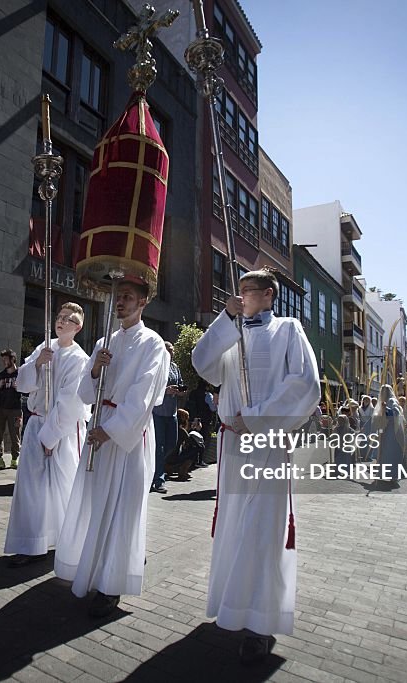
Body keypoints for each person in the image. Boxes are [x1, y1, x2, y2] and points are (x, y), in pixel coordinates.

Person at [192, 268, 321, 665]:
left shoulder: (288, 329)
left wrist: (260, 416)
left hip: (266, 441)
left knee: (264, 530)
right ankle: (232, 606)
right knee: (234, 527)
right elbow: (202, 364)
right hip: (232, 443)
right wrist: (224, 321)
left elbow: (305, 384)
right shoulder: (231, 331)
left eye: (247, 291)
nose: (241, 296)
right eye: (239, 291)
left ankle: (260, 624)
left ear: (267, 294)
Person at [54, 279, 170, 619]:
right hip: (99, 427)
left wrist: (112, 430)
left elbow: (145, 394)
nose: (121, 302)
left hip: (126, 435)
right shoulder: (105, 340)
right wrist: (95, 369)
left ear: (144, 301)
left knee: (122, 509)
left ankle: (111, 585)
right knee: (96, 505)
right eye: (118, 297)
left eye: (128, 297)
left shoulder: (154, 344)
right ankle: (90, 570)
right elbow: (86, 393)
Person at [5, 304, 90, 566]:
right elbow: (22, 383)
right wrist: (38, 364)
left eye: (69, 319)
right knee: (32, 488)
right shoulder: (45, 346)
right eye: (59, 317)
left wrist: (51, 436)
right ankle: (32, 544)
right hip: (36, 423)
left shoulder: (80, 359)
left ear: (78, 327)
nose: (61, 321)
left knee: (62, 487)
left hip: (62, 431)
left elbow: (72, 402)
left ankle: (66, 539)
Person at [151, 341, 184, 494]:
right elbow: (150, 388)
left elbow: (181, 383)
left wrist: (180, 391)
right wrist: (165, 390)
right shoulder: (156, 366)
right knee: (158, 446)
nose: (171, 352)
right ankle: (158, 479)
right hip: (158, 412)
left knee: (172, 444)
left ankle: (152, 467)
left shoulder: (175, 367)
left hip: (172, 412)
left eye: (172, 350)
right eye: (168, 350)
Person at [0, 349, 23, 470]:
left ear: (13, 359)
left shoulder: (20, 374)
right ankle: (0, 459)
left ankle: (14, 459)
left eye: (6, 359)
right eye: (3, 359)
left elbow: (28, 391)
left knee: (15, 435)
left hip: (15, 409)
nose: (4, 362)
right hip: (0, 408)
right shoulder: (1, 375)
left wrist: (20, 388)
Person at [374, 385, 407, 484]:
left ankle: (393, 475)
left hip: (393, 431)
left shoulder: (392, 400)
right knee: (384, 452)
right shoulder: (383, 401)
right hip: (386, 430)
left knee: (391, 452)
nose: (382, 393)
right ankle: (385, 473)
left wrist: (386, 409)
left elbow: (396, 412)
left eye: (384, 391)